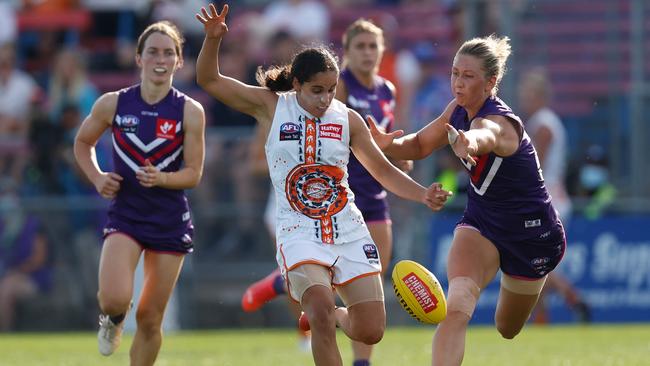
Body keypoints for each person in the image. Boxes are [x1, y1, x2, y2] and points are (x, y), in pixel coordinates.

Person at [195, 5, 451, 366]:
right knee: (318, 306)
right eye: (316, 90)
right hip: (298, 229)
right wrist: (212, 40)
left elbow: (382, 170)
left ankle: (332, 315)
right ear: (297, 83)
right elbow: (210, 80)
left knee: (370, 330)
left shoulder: (348, 119)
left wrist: (421, 194)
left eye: (331, 90)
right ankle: (320, 313)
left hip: (347, 228)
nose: (325, 98)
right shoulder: (271, 105)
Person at [370, 35, 567, 366]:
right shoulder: (456, 110)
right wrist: (383, 143)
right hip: (482, 223)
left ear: (491, 82)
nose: (458, 83)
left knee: (507, 328)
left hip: (533, 234)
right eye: (454, 73)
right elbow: (419, 145)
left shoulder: (501, 123)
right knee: (457, 306)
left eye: (468, 76)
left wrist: (469, 142)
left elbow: (484, 135)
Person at [73, 21, 205, 364]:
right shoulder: (113, 103)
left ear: (179, 61)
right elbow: (83, 143)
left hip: (169, 220)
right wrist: (97, 176)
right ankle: (113, 321)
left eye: (168, 52)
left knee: (149, 319)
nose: (160, 59)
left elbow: (193, 174)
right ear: (138, 58)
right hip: (127, 214)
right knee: (114, 299)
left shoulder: (190, 111)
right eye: (153, 52)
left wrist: (162, 178)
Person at [518, 68, 590, 324]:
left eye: (528, 93)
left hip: (546, 201)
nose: (524, 98)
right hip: (553, 199)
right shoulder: (547, 121)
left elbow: (533, 164)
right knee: (536, 262)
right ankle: (542, 316)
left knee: (534, 262)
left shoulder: (543, 124)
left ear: (538, 95)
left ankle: (573, 298)